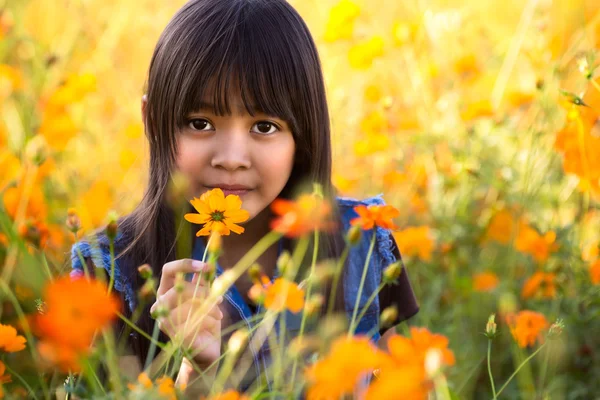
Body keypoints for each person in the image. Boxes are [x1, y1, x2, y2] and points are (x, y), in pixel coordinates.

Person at [70, 0, 419, 394]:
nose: (232, 159)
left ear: (303, 135)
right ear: (153, 121)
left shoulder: (365, 245)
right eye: (199, 123)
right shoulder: (110, 274)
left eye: (265, 126)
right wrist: (198, 376)